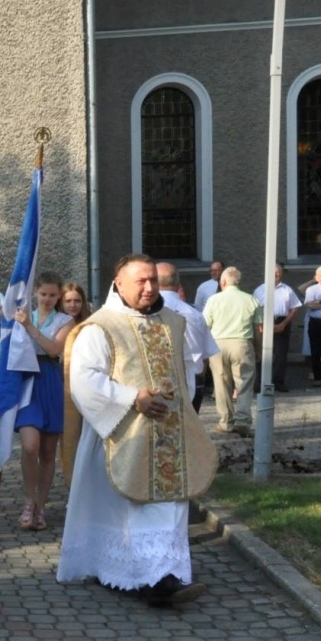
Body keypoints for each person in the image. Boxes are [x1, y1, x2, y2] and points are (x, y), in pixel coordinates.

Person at [57, 254, 218, 606]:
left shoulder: (174, 322)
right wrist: (132, 398)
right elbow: (85, 382)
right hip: (121, 433)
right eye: (140, 282)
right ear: (119, 283)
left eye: (153, 281)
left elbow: (186, 373)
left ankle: (164, 575)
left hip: (170, 431)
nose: (148, 288)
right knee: (132, 510)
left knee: (170, 506)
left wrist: (182, 410)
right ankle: (142, 578)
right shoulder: (100, 327)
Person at [14, 271, 75, 531]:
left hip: (49, 378)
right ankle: (28, 499)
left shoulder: (66, 320)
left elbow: (54, 349)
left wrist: (29, 327)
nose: (48, 299)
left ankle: (41, 505)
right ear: (35, 293)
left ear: (59, 295)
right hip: (28, 380)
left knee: (48, 450)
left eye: (52, 295)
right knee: (30, 445)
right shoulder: (21, 314)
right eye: (43, 294)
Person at [203, 267, 261, 435]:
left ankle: (226, 422)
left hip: (217, 345)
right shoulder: (251, 300)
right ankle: (243, 421)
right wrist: (258, 348)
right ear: (239, 282)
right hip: (242, 343)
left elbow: (205, 325)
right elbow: (258, 329)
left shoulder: (213, 300)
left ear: (223, 282)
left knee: (221, 384)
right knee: (245, 383)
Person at [156, 263, 219, 413]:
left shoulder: (149, 313)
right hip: (193, 377)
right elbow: (206, 354)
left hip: (160, 379)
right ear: (178, 284)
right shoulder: (195, 314)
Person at [253, 264, 302, 392]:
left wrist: (283, 324)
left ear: (281, 274)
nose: (276, 275)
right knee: (262, 354)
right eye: (273, 273)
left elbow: (295, 307)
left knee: (281, 355)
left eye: (278, 273)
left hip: (282, 321)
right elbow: (255, 310)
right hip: (263, 322)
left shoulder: (287, 290)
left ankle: (278, 382)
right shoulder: (259, 290)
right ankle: (260, 382)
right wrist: (261, 325)